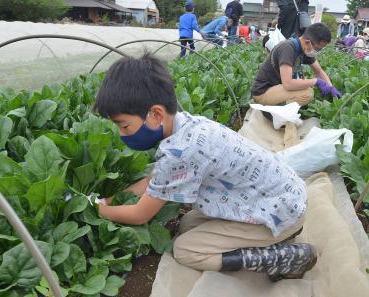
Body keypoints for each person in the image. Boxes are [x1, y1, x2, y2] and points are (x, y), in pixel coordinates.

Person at [92, 53, 317, 281]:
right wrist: (109, 200)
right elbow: (152, 181)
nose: (122, 134)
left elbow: (140, 214)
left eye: (124, 125)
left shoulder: (180, 152)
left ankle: (281, 257)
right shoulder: (186, 124)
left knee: (185, 250)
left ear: (156, 114)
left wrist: (97, 210)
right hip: (282, 196)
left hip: (282, 213)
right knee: (189, 223)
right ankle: (274, 237)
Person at [252, 23, 342, 107]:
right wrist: (315, 81)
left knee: (307, 89)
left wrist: (331, 87)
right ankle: (273, 112)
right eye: (318, 49)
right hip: (263, 92)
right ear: (308, 42)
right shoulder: (287, 48)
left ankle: (279, 108)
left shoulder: (304, 49)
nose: (317, 52)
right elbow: (288, 84)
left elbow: (319, 71)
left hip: (276, 88)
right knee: (307, 94)